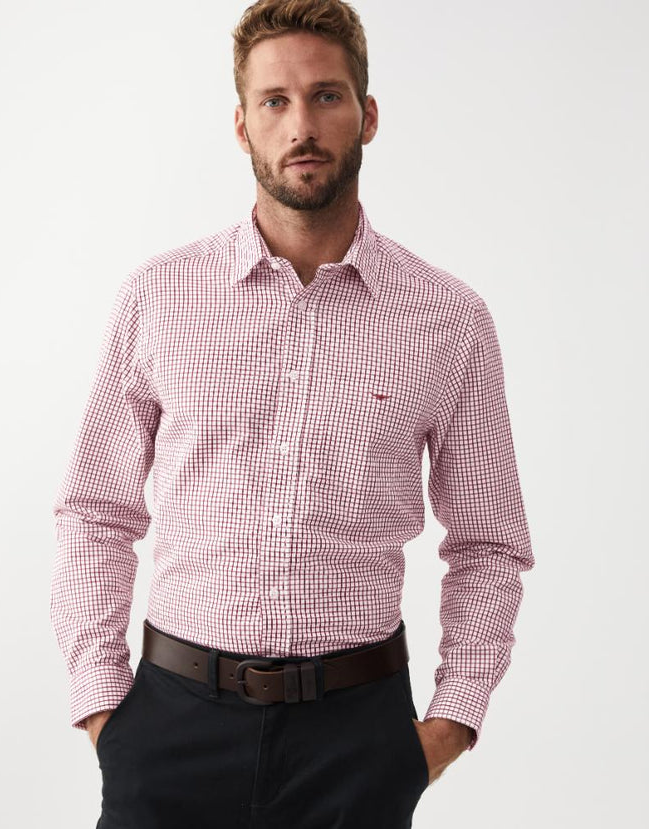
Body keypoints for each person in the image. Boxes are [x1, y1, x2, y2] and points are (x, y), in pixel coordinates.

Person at [50, 1, 535, 826]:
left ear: (368, 115)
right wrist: (105, 709)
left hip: (358, 739)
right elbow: (95, 511)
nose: (301, 125)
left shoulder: (449, 320)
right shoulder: (159, 298)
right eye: (274, 100)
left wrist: (450, 722)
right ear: (242, 126)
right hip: (170, 727)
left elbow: (489, 543)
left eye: (326, 95)